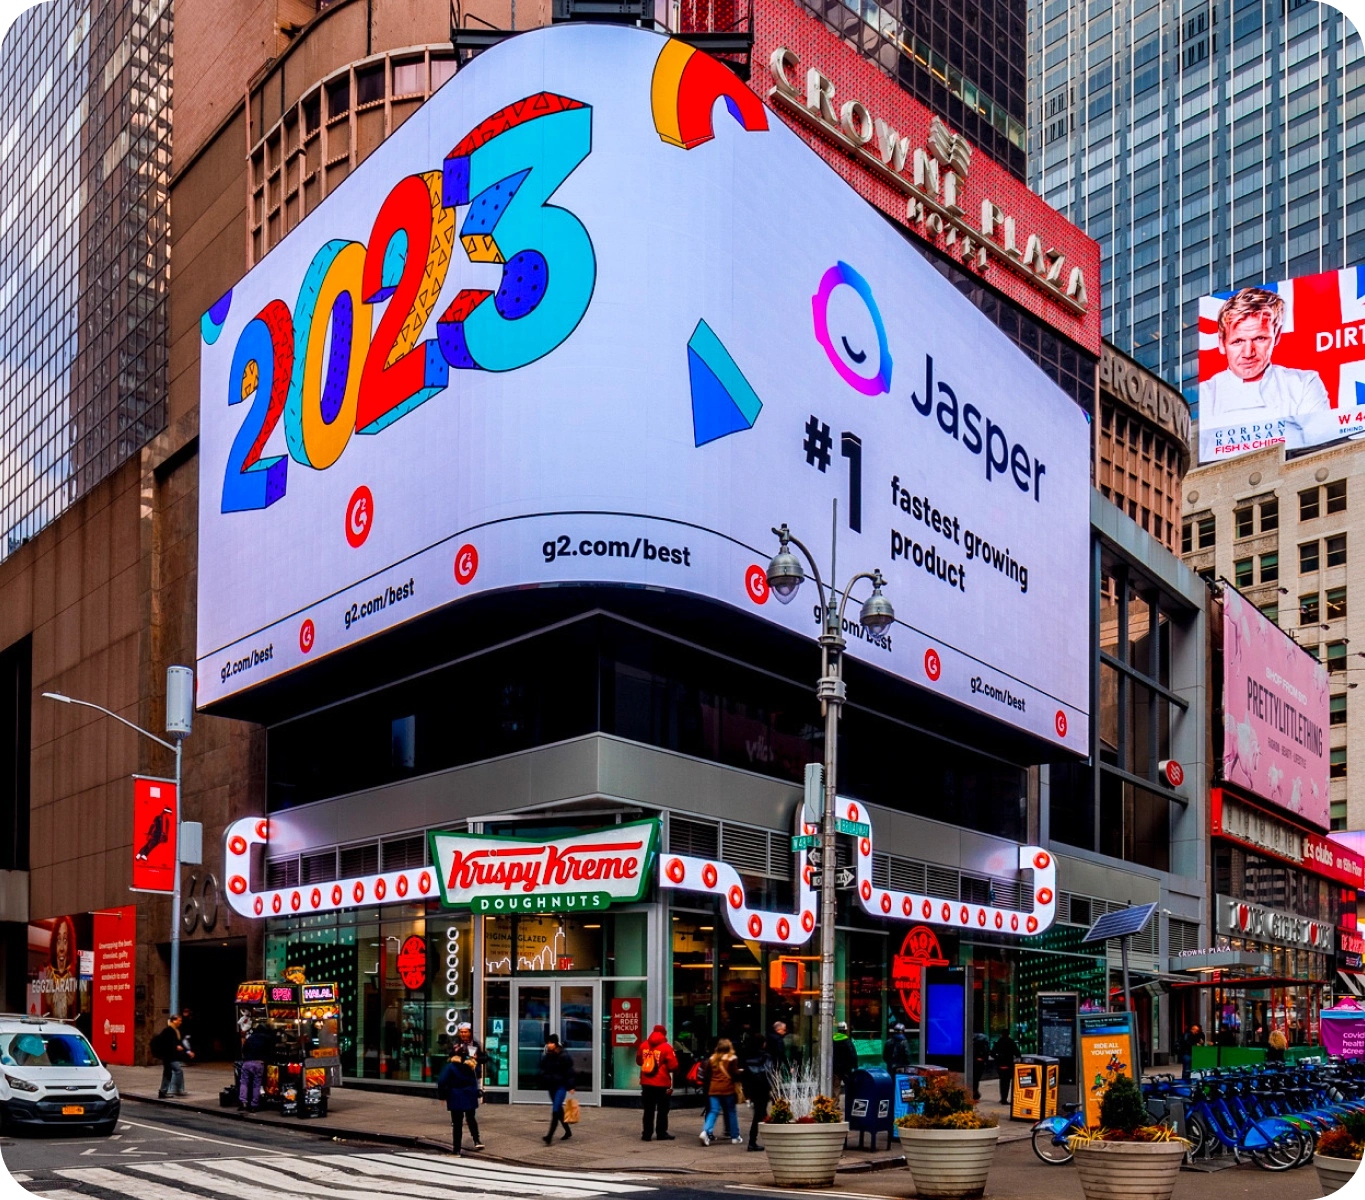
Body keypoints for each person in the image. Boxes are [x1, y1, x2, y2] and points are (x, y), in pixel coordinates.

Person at [1198, 287, 1336, 460]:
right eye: (1238, 341)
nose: (1248, 352)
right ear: (1221, 343)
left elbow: (1323, 446)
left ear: (1277, 336)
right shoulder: (1204, 395)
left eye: (1259, 339)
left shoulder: (1303, 383)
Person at [438, 1040, 484, 1154]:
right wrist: (475, 1059)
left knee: (457, 1124)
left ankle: (456, 1150)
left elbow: (442, 1081)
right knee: (471, 1118)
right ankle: (477, 1140)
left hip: (455, 1096)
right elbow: (479, 1074)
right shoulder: (472, 1065)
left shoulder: (450, 1066)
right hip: (469, 1095)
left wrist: (442, 1096)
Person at [636, 1023, 678, 1141]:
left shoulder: (644, 1045)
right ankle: (661, 1133)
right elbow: (673, 1065)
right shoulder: (666, 1047)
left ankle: (646, 1134)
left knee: (648, 1109)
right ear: (664, 1034)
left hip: (646, 1082)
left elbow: (639, 1061)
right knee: (662, 1110)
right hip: (662, 1083)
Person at [699, 1037, 741, 1146]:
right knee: (731, 1111)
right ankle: (735, 1136)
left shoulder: (712, 1058)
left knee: (713, 1111)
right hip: (727, 1089)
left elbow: (706, 1074)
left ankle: (706, 1131)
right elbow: (735, 1074)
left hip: (714, 1088)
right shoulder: (732, 1058)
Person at [540, 1034, 576, 1144]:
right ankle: (568, 1131)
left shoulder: (564, 1056)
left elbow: (569, 1072)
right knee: (559, 1110)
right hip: (552, 1086)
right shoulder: (548, 1056)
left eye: (550, 1043)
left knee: (555, 1110)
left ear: (555, 1043)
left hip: (561, 1086)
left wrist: (570, 1086)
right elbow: (543, 1068)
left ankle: (549, 1136)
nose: (548, 1045)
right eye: (548, 1043)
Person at [739, 1034, 772, 1152]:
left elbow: (744, 1076)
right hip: (762, 1088)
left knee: (762, 1114)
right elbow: (769, 1073)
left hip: (753, 1089)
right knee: (759, 1115)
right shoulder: (765, 1056)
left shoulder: (746, 1057)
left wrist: (746, 1092)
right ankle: (752, 1142)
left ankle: (766, 1138)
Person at [151, 1013, 193, 1098]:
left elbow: (180, 1043)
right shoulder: (168, 1031)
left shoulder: (176, 1031)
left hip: (171, 1056)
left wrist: (187, 1051)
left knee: (167, 1073)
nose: (180, 1022)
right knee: (178, 1070)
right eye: (179, 1020)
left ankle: (163, 1091)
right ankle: (177, 1090)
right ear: (174, 1021)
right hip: (169, 1056)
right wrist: (175, 1047)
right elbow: (166, 1043)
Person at [238, 1020, 274, 1111]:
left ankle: (243, 1102)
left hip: (247, 1062)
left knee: (244, 1082)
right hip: (259, 1063)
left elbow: (244, 1050)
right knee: (256, 1084)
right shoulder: (267, 1038)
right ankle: (254, 1104)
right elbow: (270, 1051)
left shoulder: (250, 1038)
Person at [993, 1028, 1020, 1106]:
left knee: (1002, 1082)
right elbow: (1017, 1053)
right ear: (1008, 1034)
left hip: (1000, 1065)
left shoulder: (998, 1042)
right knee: (1007, 1082)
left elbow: (993, 1053)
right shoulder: (1011, 1042)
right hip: (1008, 1065)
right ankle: (1005, 1099)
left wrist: (997, 1058)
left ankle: (1002, 1098)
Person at [832, 1021, 857, 1106]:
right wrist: (855, 1066)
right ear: (845, 1030)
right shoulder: (847, 1042)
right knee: (850, 1086)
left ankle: (834, 1105)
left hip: (835, 1068)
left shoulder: (833, 1041)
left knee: (836, 1086)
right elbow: (852, 1054)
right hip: (846, 1069)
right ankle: (850, 1104)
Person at [970, 1032, 991, 1100]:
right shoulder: (983, 1043)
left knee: (974, 1079)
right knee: (976, 1079)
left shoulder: (974, 1042)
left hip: (975, 1062)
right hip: (979, 1063)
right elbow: (987, 1052)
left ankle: (974, 1093)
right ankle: (975, 1093)